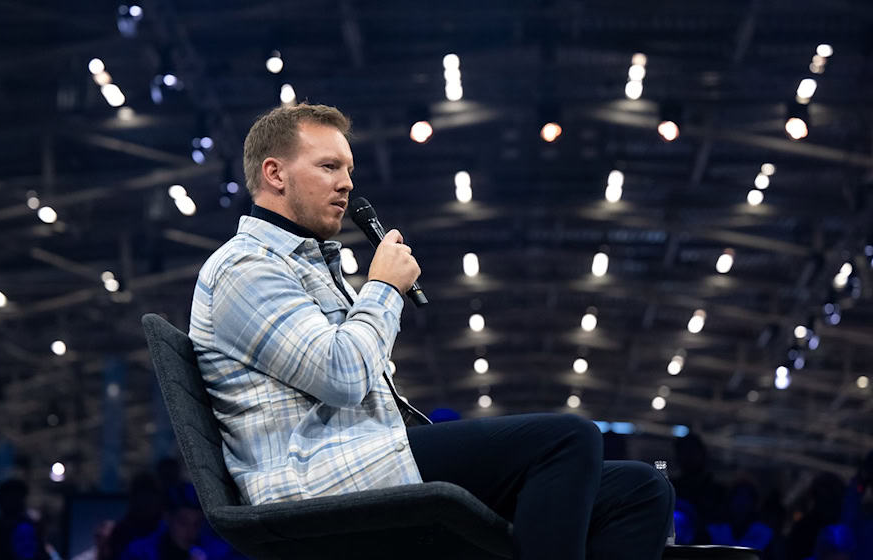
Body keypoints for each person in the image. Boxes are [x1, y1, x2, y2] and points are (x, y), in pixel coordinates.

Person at [189, 103, 673, 559]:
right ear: (274, 174)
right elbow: (341, 375)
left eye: (349, 171)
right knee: (567, 439)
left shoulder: (303, 266)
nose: (346, 185)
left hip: (361, 461)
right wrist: (382, 288)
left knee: (641, 488)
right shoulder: (246, 266)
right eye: (329, 167)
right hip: (312, 480)